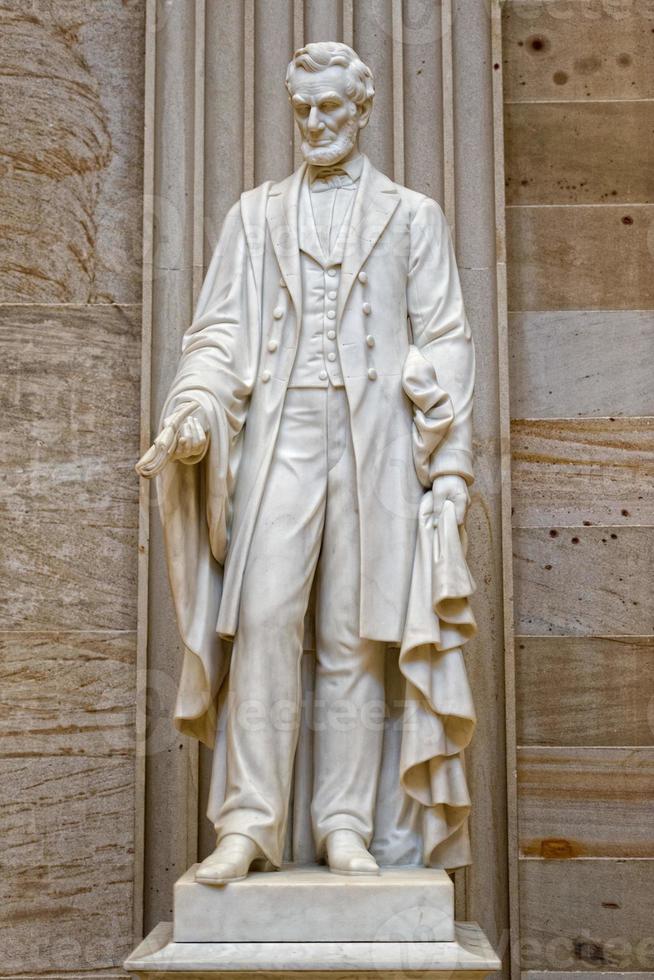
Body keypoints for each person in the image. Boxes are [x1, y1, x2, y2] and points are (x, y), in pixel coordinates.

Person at [138, 41, 475, 884]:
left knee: (354, 639)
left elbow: (446, 339)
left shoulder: (413, 216)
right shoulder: (254, 215)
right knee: (260, 623)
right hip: (282, 433)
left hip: (378, 446)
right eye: (303, 110)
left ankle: (344, 825)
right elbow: (216, 332)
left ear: (362, 111)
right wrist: (192, 410)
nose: (316, 123)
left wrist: (451, 469)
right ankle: (250, 823)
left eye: (331, 108)